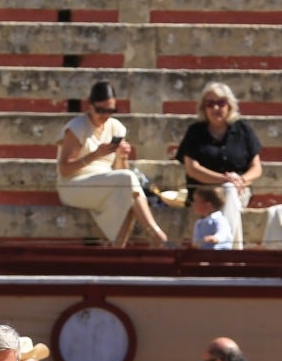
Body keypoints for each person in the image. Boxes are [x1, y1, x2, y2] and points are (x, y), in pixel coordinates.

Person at [56, 81, 169, 245]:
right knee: (127, 186)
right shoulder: (76, 128)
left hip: (103, 182)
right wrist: (94, 155)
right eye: (100, 110)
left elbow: (121, 171)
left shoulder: (116, 127)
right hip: (74, 184)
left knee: (127, 193)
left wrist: (122, 156)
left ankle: (118, 249)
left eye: (110, 110)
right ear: (90, 106)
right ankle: (155, 234)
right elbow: (65, 170)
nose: (105, 115)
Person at [175, 81, 262, 249]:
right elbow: (192, 168)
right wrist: (224, 179)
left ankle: (222, 247)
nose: (216, 108)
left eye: (221, 103)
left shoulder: (243, 129)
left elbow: (257, 168)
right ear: (203, 108)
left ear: (229, 106)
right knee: (228, 189)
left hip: (238, 189)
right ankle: (230, 251)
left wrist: (240, 180)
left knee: (230, 192)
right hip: (204, 192)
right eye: (210, 104)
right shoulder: (195, 131)